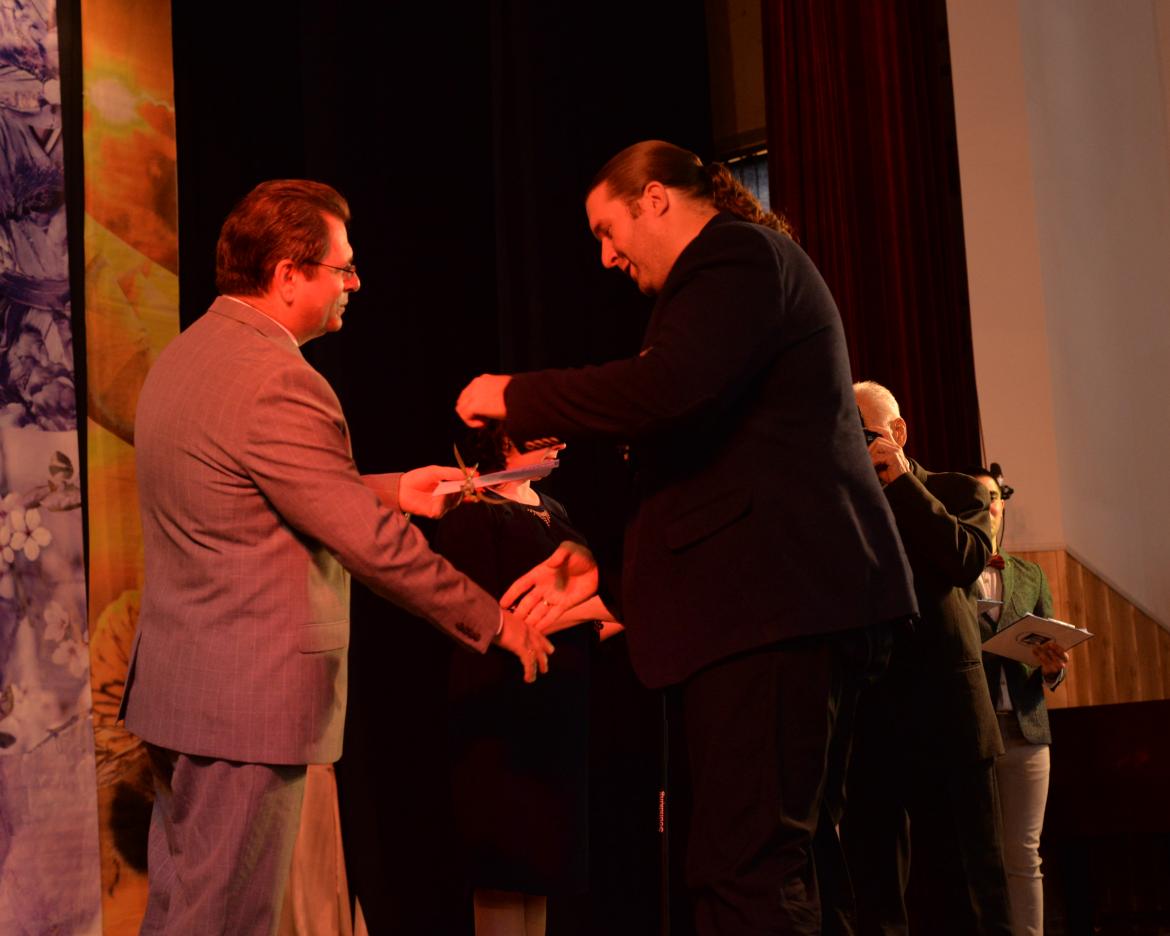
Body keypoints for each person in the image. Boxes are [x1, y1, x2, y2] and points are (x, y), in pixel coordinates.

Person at [455, 140, 917, 934]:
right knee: (784, 866)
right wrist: (611, 575)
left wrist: (516, 395)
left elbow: (665, 391)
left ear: (656, 199)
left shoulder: (735, 257)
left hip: (774, 615)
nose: (606, 257)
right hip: (781, 611)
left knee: (747, 874)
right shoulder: (734, 278)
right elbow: (708, 466)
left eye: (607, 230)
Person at [118, 180, 552, 936]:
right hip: (244, 708)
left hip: (183, 693)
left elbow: (248, 490)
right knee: (225, 922)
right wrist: (495, 621)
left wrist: (391, 490)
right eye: (343, 268)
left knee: (185, 912)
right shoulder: (281, 380)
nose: (356, 283)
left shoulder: (190, 353)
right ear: (289, 275)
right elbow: (373, 549)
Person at [431, 426, 618, 936]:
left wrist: (625, 609)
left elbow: (584, 619)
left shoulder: (554, 510)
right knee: (504, 868)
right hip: (502, 711)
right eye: (548, 434)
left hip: (558, 713)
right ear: (508, 435)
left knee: (541, 873)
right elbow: (489, 618)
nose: (562, 445)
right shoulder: (472, 508)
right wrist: (597, 606)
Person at [843, 380, 1012, 935]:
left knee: (969, 891)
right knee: (874, 893)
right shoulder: (840, 503)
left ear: (898, 432)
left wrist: (901, 481)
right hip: (868, 718)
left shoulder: (958, 491)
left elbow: (964, 560)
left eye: (865, 432)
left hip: (948, 717)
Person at [970, 466, 1068, 936]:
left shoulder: (1031, 573)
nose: (987, 504)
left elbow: (1054, 659)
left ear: (1002, 503)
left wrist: (1053, 667)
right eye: (976, 496)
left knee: (1025, 854)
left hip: (1027, 730)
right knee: (980, 852)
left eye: (992, 495)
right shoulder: (949, 573)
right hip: (974, 732)